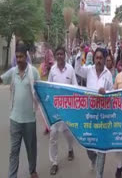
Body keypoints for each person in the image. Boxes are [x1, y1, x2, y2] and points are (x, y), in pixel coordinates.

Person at [0, 44, 40, 178]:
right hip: (15, 120)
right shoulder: (13, 72)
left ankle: (32, 170)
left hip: (30, 120)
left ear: (26, 57)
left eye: (21, 56)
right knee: (14, 151)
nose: (18, 59)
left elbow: (41, 91)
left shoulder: (33, 72)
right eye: (17, 57)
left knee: (31, 149)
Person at [75, 47, 113, 178]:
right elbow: (77, 69)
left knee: (102, 148)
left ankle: (99, 175)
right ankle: (93, 159)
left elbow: (112, 95)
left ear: (104, 59)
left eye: (101, 58)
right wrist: (80, 53)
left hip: (103, 116)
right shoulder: (88, 70)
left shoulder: (108, 74)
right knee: (88, 144)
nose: (98, 60)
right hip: (89, 115)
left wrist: (106, 93)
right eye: (96, 58)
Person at [47, 46, 78, 175]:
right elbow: (47, 87)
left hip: (67, 109)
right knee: (53, 135)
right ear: (55, 56)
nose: (59, 56)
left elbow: (75, 87)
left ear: (65, 55)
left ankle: (70, 149)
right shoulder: (52, 70)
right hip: (55, 110)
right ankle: (54, 162)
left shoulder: (70, 69)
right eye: (57, 54)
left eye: (61, 54)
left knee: (68, 134)